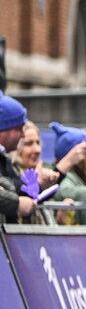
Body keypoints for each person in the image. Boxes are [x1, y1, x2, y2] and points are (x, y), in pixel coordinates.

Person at [0, 91, 36, 222]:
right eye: (18, 129)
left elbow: (11, 184)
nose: (22, 135)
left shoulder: (4, 157)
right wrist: (16, 203)